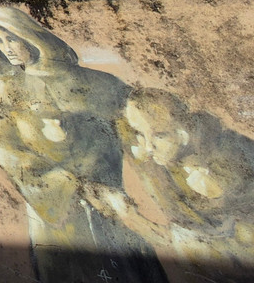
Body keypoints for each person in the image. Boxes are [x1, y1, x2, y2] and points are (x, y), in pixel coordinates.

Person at [0, 6, 167, 283]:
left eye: (12, 39)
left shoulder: (92, 82)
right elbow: (3, 146)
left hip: (110, 197)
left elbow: (133, 122)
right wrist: (65, 182)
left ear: (30, 37)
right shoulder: (3, 90)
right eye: (0, 41)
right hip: (53, 204)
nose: (7, 48)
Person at [86, 88, 254, 280]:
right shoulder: (159, 162)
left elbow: (211, 244)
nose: (147, 147)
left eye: (159, 135)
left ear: (184, 135)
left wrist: (219, 196)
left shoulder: (227, 160)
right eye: (139, 133)